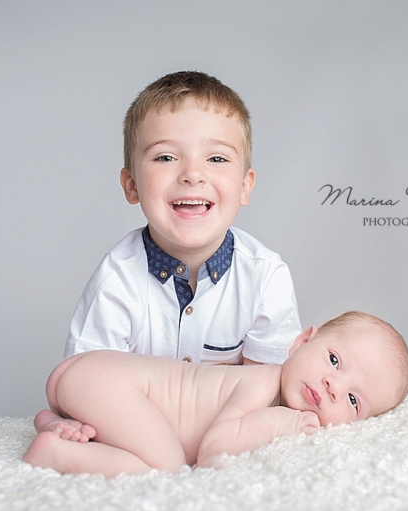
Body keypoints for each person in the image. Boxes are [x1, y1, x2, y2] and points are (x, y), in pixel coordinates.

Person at [34, 71, 302, 439]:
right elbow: (84, 380)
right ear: (132, 186)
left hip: (221, 425)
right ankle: (54, 428)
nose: (193, 174)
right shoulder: (118, 279)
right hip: (133, 423)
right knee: (80, 405)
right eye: (165, 157)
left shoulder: (265, 276)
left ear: (244, 186)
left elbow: (271, 387)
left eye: (217, 159)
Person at [23, 311, 408, 477]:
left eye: (353, 400)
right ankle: (56, 452)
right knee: (167, 464)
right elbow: (213, 449)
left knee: (141, 433)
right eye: (333, 359)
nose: (332, 386)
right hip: (107, 379)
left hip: (90, 380)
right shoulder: (262, 382)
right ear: (301, 341)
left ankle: (57, 420)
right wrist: (286, 422)